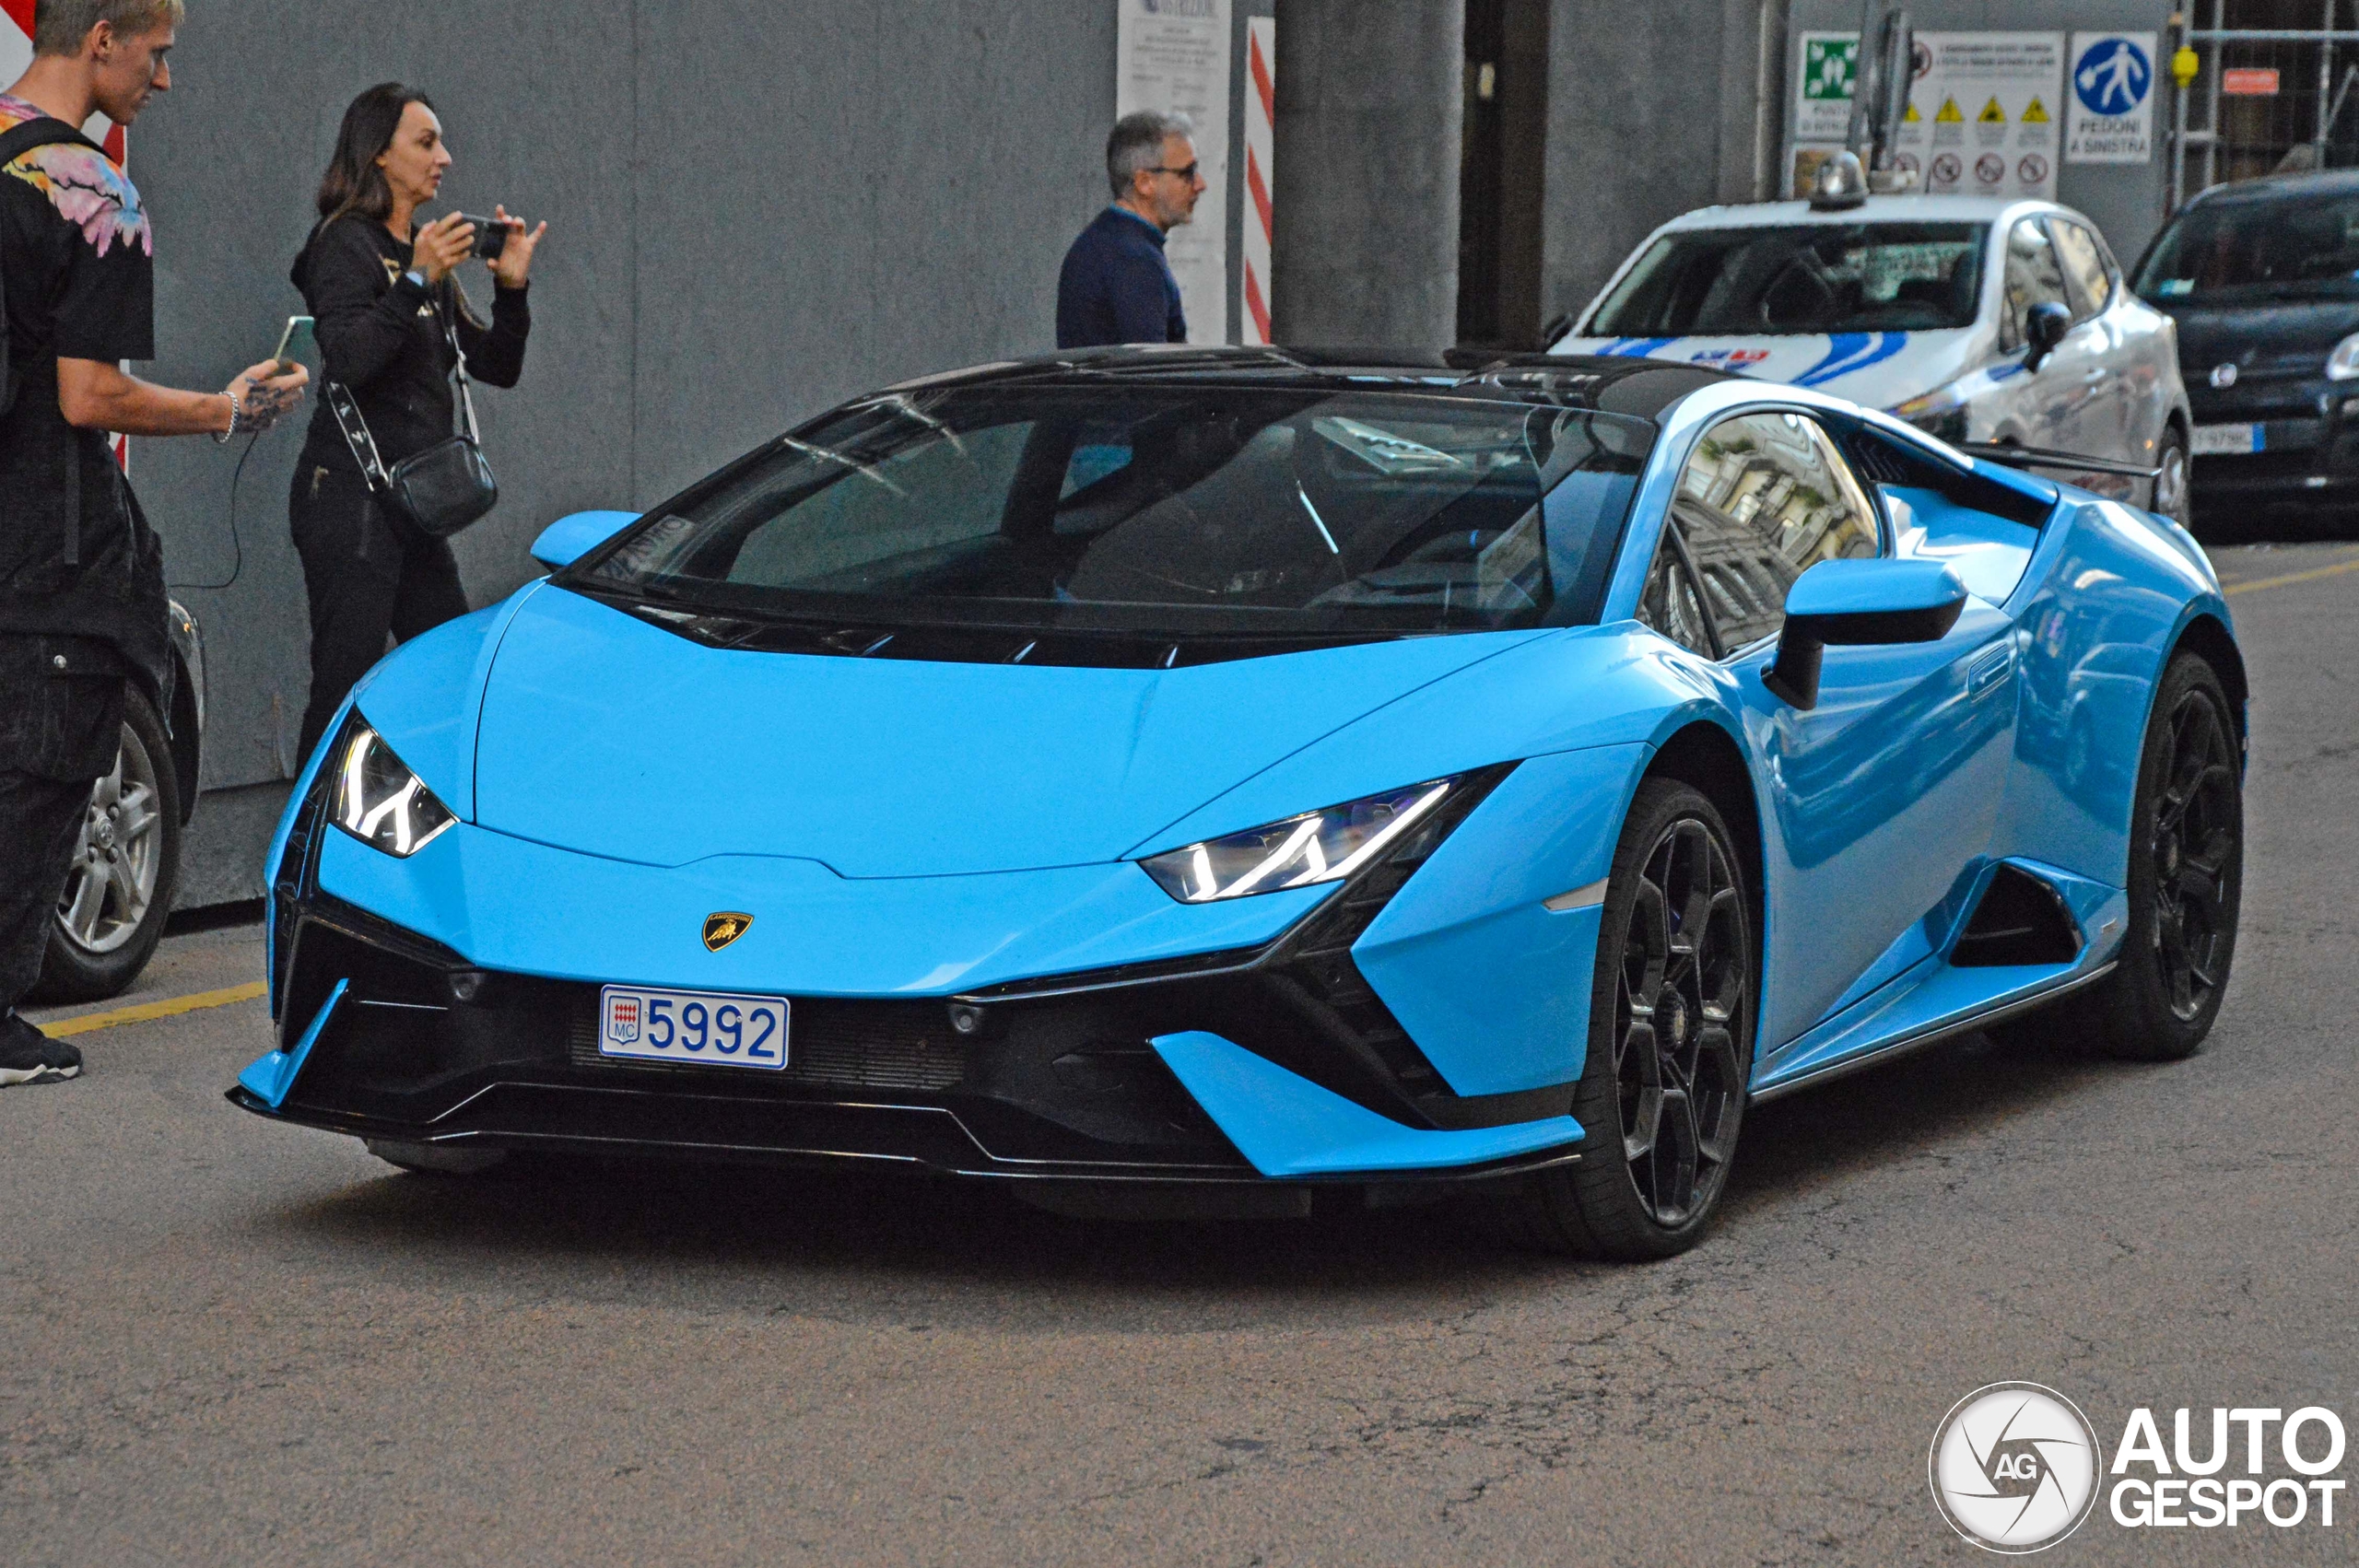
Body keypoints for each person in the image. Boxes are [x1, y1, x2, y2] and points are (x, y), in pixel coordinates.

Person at [0, 0, 307, 1088]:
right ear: (100, 41)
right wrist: (225, 410)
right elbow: (89, 396)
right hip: (47, 546)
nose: (164, 82)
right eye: (158, 53)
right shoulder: (93, 192)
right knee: (43, 765)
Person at [288, 82, 544, 763]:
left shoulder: (423, 252)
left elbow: (494, 364)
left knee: (450, 671)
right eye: (426, 142)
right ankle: (302, 852)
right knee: (345, 686)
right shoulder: (343, 244)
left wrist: (511, 290)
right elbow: (348, 359)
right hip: (350, 499)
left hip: (411, 502)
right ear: (379, 155)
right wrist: (413, 280)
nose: (445, 158)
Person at [1056, 111, 1207, 349]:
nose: (1200, 184)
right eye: (1187, 173)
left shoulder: (1104, 241)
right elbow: (1152, 375)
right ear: (1145, 182)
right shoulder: (1134, 260)